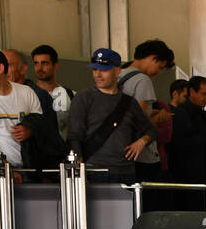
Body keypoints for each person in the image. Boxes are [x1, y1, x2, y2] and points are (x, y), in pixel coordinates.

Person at [66, 48, 158, 184]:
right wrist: (79, 172)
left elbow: (150, 130)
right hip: (93, 172)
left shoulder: (129, 102)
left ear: (117, 70)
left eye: (104, 69)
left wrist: (142, 141)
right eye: (94, 69)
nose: (97, 74)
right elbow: (74, 137)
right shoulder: (83, 97)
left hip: (126, 172)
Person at [118, 39, 175, 182]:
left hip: (119, 153)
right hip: (142, 156)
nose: (158, 73)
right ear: (153, 58)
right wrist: (159, 117)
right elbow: (140, 123)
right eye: (160, 67)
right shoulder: (142, 80)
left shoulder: (117, 75)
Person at [168, 75, 206, 191]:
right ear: (191, 92)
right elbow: (180, 144)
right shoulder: (181, 114)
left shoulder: (199, 113)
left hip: (203, 176)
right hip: (187, 179)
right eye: (204, 94)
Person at [31, 44, 73, 138]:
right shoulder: (28, 94)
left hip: (63, 149)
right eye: (36, 63)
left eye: (44, 63)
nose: (39, 68)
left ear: (55, 65)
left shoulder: (70, 95)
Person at [154, 77, 189, 177]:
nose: (188, 101)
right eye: (185, 97)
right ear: (175, 94)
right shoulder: (165, 113)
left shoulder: (186, 113)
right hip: (170, 162)